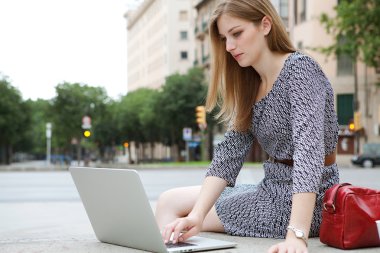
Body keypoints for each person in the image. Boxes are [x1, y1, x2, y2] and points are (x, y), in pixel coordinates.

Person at [155, 0, 339, 252]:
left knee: (176, 219)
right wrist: (197, 215)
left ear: (265, 25)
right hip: (271, 187)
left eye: (237, 33)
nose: (229, 47)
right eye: (224, 38)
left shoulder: (300, 69)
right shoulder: (249, 84)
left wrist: (296, 235)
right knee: (169, 200)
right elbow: (227, 157)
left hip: (310, 201)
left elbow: (310, 154)